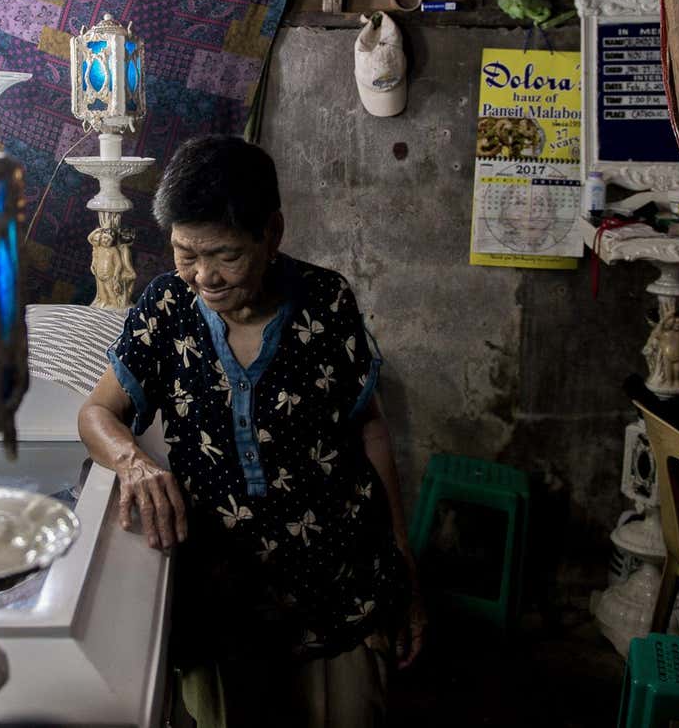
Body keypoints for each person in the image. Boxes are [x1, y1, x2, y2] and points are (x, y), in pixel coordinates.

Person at [78, 136, 426, 728]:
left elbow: (370, 434)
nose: (203, 276)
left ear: (273, 233)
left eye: (225, 255)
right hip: (222, 594)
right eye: (186, 252)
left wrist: (403, 564)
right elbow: (96, 415)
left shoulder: (326, 299)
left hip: (338, 581)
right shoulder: (166, 307)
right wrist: (134, 463)